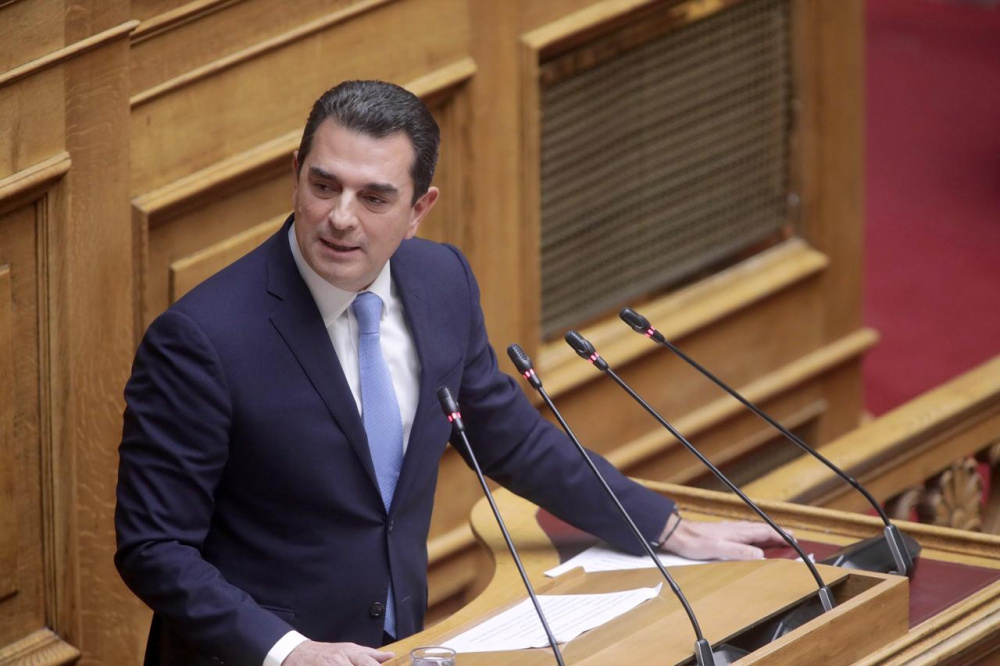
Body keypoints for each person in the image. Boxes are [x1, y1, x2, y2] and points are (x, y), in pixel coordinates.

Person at [115, 80, 785, 666]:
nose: (340, 218)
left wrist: (665, 528)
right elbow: (154, 545)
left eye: (374, 198)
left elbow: (510, 439)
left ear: (419, 210)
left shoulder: (441, 282)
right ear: (296, 174)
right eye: (323, 186)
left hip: (402, 641)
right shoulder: (203, 339)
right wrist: (290, 651)